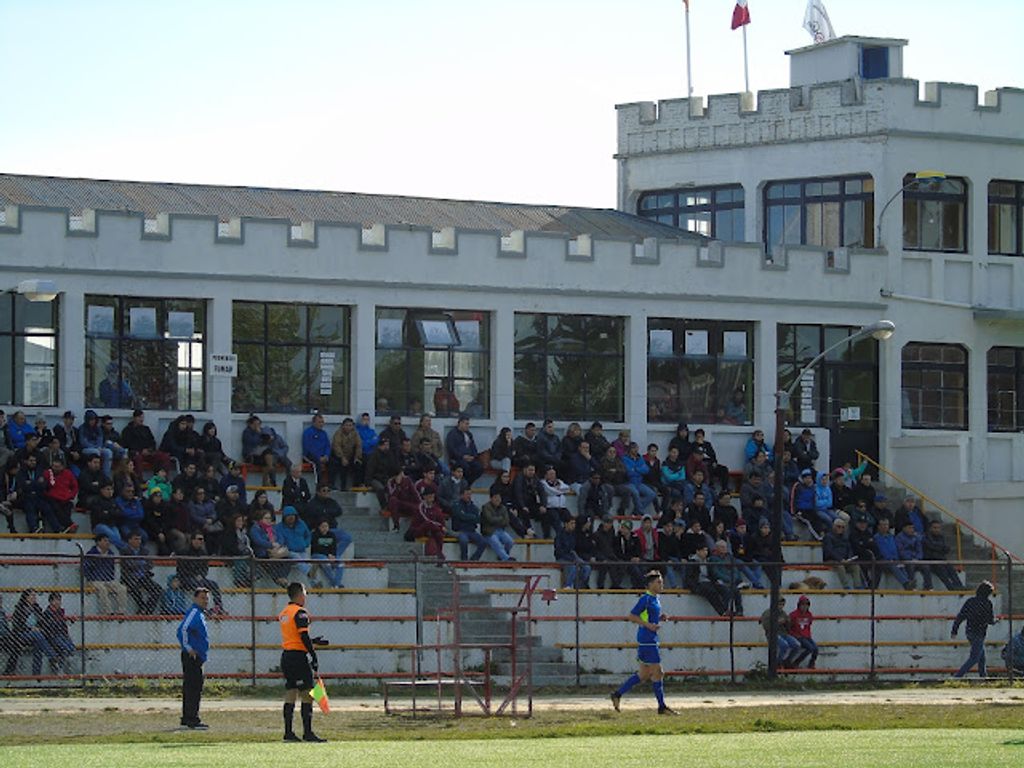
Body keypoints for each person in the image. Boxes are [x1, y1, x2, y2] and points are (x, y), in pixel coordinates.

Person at [609, 570, 674, 715]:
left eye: (662, 582)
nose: (661, 584)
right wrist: (648, 625)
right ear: (650, 584)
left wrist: (659, 618)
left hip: (650, 639)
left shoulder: (655, 599)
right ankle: (662, 707)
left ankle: (617, 694)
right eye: (659, 582)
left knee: (644, 674)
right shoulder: (645, 599)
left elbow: (649, 616)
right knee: (658, 672)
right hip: (647, 639)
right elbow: (632, 616)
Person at [279, 582, 329, 742]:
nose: (306, 596)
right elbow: (303, 636)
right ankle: (308, 732)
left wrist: (313, 641)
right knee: (307, 694)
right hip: (298, 658)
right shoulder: (300, 612)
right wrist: (313, 655)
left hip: (287, 655)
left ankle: (288, 732)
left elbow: (295, 637)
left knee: (290, 692)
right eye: (305, 593)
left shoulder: (284, 613)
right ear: (300, 594)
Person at [176, 586, 210, 730]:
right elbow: (182, 630)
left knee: (193, 687)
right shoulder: (195, 613)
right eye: (202, 598)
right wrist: (189, 648)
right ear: (195, 598)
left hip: (198, 657)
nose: (205, 601)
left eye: (207, 598)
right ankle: (192, 719)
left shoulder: (200, 614)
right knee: (193, 687)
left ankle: (187, 717)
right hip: (192, 657)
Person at [951, 580, 997, 678]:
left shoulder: (970, 601)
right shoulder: (987, 603)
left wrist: (954, 630)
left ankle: (983, 676)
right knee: (975, 658)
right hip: (980, 633)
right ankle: (957, 677)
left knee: (981, 657)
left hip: (970, 631)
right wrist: (996, 621)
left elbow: (960, 616)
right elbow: (990, 620)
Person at [83, 533, 128, 615]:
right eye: (105, 540)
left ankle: (121, 611)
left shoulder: (110, 554)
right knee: (102, 589)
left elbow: (111, 569)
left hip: (108, 580)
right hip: (94, 580)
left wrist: (109, 578)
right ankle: (107, 611)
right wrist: (91, 578)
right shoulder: (91, 553)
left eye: (108, 541)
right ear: (98, 542)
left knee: (122, 588)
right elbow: (85, 568)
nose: (108, 543)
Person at [121, 530, 162, 613]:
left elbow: (150, 565)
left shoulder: (144, 551)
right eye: (136, 539)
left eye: (139, 539)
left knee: (158, 589)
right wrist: (142, 562)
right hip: (130, 577)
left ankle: (148, 610)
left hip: (143, 576)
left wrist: (137, 563)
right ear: (130, 540)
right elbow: (128, 565)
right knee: (135, 589)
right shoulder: (124, 551)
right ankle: (142, 607)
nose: (138, 541)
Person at [760, 597, 801, 669]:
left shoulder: (783, 613)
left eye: (782, 604)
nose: (780, 606)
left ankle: (787, 661)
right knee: (784, 645)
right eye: (779, 604)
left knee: (797, 645)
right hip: (772, 634)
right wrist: (777, 622)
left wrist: (787, 622)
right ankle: (778, 662)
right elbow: (766, 627)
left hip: (783, 633)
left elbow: (788, 628)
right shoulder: (767, 613)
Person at [40, 592, 76, 673]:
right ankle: (59, 670)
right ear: (50, 601)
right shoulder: (47, 613)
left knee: (72, 649)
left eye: (59, 600)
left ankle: (64, 669)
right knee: (64, 649)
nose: (58, 602)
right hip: (53, 636)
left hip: (62, 635)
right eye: (55, 600)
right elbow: (50, 628)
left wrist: (68, 624)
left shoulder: (60, 612)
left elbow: (63, 626)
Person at [444, 416, 483, 485]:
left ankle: (467, 484)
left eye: (468, 424)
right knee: (465, 468)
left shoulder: (469, 434)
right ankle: (463, 485)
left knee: (479, 467)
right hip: (458, 459)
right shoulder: (452, 434)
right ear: (460, 423)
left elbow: (473, 447)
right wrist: (462, 456)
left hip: (470, 458)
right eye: (466, 424)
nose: (468, 426)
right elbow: (451, 449)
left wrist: (473, 456)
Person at [554, 516, 591, 589]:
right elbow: (559, 551)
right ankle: (568, 586)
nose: (573, 525)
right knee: (573, 567)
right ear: (566, 524)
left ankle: (580, 586)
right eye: (571, 523)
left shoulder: (573, 534)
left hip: (573, 556)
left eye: (574, 523)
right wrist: (571, 558)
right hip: (562, 558)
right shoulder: (559, 535)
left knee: (587, 568)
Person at [329, 417, 363, 490]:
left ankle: (356, 486)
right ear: (343, 426)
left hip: (351, 455)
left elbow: (359, 446)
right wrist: (342, 458)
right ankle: (342, 487)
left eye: (350, 425)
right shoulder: (338, 433)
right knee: (341, 465)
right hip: (339, 455)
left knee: (358, 464)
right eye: (347, 425)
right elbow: (336, 446)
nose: (348, 427)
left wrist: (357, 457)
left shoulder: (355, 433)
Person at [302, 412, 331, 487]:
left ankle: (330, 483)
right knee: (317, 463)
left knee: (334, 462)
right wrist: (319, 457)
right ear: (313, 422)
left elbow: (328, 446)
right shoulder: (308, 432)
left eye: (322, 422)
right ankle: (319, 484)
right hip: (310, 455)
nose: (321, 424)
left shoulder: (324, 433)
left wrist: (326, 455)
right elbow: (307, 447)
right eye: (319, 422)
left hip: (323, 456)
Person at [788, 595, 819, 668]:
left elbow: (808, 626)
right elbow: (789, 627)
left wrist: (808, 636)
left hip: (807, 636)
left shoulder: (809, 614)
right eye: (803, 604)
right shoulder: (793, 615)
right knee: (810, 648)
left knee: (816, 649)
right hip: (798, 636)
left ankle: (811, 663)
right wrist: (793, 635)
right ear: (799, 605)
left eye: (807, 605)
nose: (804, 607)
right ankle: (796, 662)